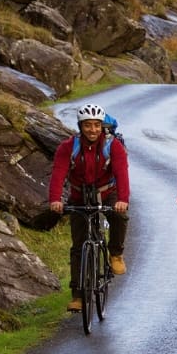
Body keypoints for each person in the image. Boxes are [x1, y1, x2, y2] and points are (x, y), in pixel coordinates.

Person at [48, 102, 130, 313]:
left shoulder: (113, 146)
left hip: (107, 191)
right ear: (80, 126)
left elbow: (121, 174)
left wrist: (122, 199)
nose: (92, 130)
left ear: (102, 126)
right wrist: (55, 199)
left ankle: (116, 253)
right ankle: (77, 295)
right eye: (87, 125)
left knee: (119, 217)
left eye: (96, 125)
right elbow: (58, 173)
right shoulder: (68, 147)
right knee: (78, 245)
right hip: (80, 195)